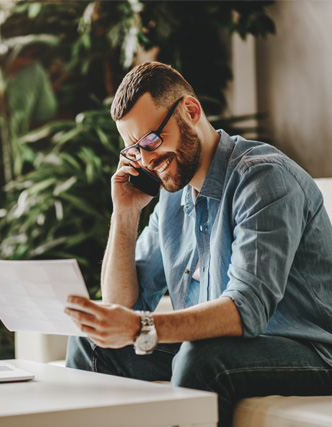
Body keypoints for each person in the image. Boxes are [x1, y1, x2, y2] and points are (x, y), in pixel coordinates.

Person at [64, 61, 332, 426]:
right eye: (133, 151)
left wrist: (141, 327)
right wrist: (124, 214)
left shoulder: (264, 178)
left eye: (151, 141)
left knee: (202, 359)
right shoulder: (174, 195)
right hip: (225, 346)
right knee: (91, 342)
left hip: (311, 350)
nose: (146, 161)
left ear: (190, 111)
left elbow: (246, 309)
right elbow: (121, 304)